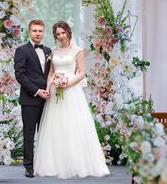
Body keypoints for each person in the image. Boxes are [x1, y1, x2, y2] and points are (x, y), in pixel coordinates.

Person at [34, 21, 110, 179]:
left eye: (63, 33)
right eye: (58, 34)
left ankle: (77, 164)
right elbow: (51, 73)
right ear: (55, 36)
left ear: (68, 32)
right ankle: (53, 164)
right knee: (56, 126)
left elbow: (82, 73)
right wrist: (48, 89)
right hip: (55, 91)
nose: (61, 36)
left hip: (71, 90)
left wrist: (67, 84)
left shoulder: (78, 51)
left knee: (73, 124)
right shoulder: (53, 51)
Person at [14, 19, 51, 178]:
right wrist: (37, 91)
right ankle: (29, 167)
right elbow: (20, 75)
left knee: (45, 133)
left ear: (43, 32)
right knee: (29, 134)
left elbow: (50, 74)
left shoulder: (49, 51)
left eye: (40, 31)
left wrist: (48, 90)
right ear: (29, 32)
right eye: (35, 30)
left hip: (48, 99)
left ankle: (45, 165)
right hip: (30, 99)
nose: (38, 33)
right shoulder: (22, 50)